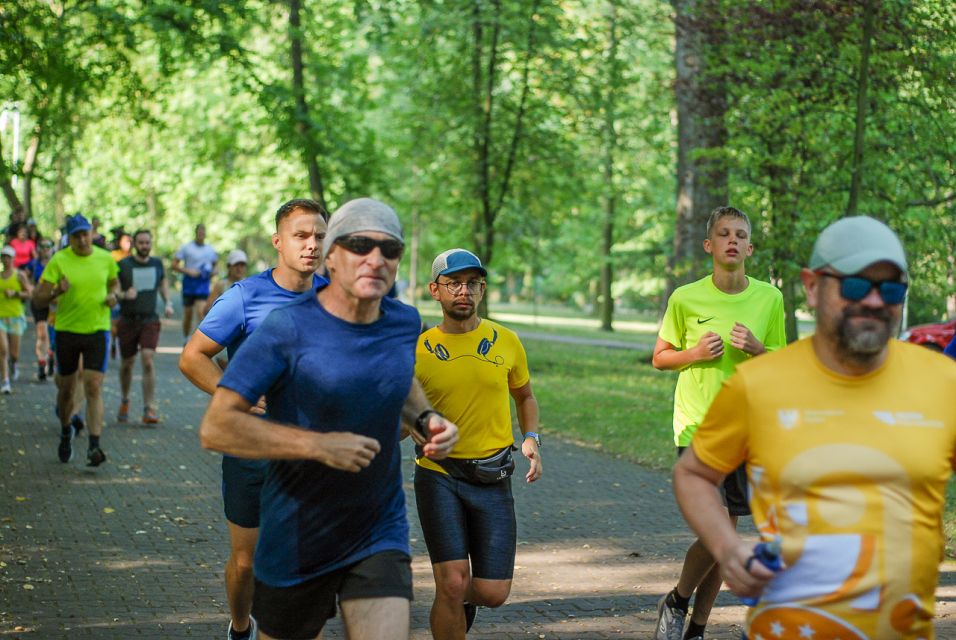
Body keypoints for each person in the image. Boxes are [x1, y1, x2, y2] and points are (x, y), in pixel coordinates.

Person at [673, 216, 956, 639]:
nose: (876, 301)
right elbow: (693, 472)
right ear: (811, 286)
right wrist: (727, 548)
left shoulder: (941, 382)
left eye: (892, 288)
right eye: (856, 286)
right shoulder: (761, 383)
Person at [197, 197, 459, 640]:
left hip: (376, 526)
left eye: (389, 249)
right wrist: (316, 445)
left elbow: (399, 377)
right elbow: (216, 426)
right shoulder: (286, 327)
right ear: (332, 257)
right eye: (360, 245)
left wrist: (427, 417)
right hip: (298, 531)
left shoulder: (403, 321)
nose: (375, 259)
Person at [180, 199, 328, 640]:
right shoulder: (246, 296)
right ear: (278, 242)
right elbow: (193, 357)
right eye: (301, 236)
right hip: (252, 450)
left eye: (319, 236)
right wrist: (236, 395)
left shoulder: (335, 298)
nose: (311, 244)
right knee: (246, 564)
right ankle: (241, 625)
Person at [652, 206, 785, 640]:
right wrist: (692, 354)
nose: (732, 240)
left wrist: (759, 350)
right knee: (720, 534)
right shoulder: (684, 298)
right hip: (696, 429)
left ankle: (695, 626)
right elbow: (660, 357)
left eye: (740, 234)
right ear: (709, 245)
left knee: (722, 540)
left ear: (750, 247)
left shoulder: (770, 298)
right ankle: (676, 602)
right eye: (723, 233)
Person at [413, 248, 543, 639]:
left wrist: (531, 438)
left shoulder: (506, 341)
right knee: (451, 583)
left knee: (492, 592)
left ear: (482, 289)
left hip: (492, 476)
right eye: (453, 283)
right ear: (435, 290)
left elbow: (525, 396)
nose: (463, 291)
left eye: (472, 283)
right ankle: (452, 596)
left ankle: (460, 598)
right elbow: (402, 415)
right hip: (438, 475)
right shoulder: (417, 348)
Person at [33, 214, 120, 467]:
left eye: (85, 234)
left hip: (97, 330)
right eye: (76, 236)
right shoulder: (59, 260)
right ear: (69, 238)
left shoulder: (105, 258)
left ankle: (94, 446)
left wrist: (114, 295)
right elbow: (38, 299)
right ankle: (65, 429)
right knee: (67, 388)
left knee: (93, 385)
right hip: (67, 331)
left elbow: (114, 283)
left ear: (91, 233)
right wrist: (57, 290)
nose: (82, 240)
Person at [116, 229, 174, 425]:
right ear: (134, 244)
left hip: (150, 319)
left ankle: (149, 407)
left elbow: (163, 284)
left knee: (147, 359)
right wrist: (124, 294)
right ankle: (124, 399)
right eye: (141, 243)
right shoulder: (123, 265)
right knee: (127, 363)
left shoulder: (157, 264)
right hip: (127, 320)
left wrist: (168, 303)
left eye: (147, 243)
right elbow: (114, 290)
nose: (144, 246)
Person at [172, 223, 217, 341]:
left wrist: (213, 273)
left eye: (203, 232)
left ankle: (199, 340)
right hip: (189, 284)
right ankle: (186, 338)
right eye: (199, 232)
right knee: (188, 314)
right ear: (196, 233)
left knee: (201, 312)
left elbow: (216, 267)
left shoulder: (210, 249)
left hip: (203, 284)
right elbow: (174, 265)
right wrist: (188, 271)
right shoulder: (187, 247)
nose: (201, 234)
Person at [0, 245, 33, 393]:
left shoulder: (19, 275)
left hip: (15, 317)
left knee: (14, 354)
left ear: (13, 259)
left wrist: (15, 294)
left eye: (8, 257)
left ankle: (14, 364)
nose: (6, 259)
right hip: (1, 316)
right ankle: (5, 381)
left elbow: (29, 293)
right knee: (3, 350)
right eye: (3, 256)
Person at [24, 238, 55, 380]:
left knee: (54, 334)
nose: (45, 249)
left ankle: (51, 354)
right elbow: (24, 277)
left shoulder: (57, 263)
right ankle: (42, 361)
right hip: (39, 302)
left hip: (54, 303)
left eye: (48, 246)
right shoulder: (33, 264)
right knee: (42, 333)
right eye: (42, 246)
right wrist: (31, 290)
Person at [200, 249, 248, 321]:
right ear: (229, 266)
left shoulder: (250, 285)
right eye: (236, 265)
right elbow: (206, 310)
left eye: (242, 265)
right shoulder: (221, 285)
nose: (239, 268)